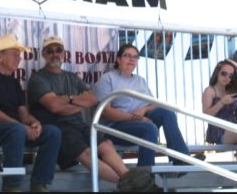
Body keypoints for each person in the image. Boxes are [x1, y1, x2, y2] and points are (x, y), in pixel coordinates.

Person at [27, 36, 157, 191]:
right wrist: (75, 101)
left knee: (107, 146)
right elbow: (54, 107)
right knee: (87, 154)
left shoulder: (72, 77)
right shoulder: (38, 79)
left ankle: (133, 183)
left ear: (64, 53)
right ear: (43, 54)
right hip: (58, 128)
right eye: (50, 50)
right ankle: (132, 185)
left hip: (79, 125)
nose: (55, 54)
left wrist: (67, 100)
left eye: (59, 50)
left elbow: (92, 99)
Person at [0, 34, 61, 192]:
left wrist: (35, 123)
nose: (19, 58)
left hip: (15, 130)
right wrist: (22, 126)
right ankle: (11, 186)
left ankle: (39, 184)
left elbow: (24, 114)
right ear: (0, 56)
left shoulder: (14, 82)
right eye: (15, 54)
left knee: (52, 132)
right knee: (17, 130)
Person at [93, 43, 203, 167]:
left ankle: (180, 158)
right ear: (118, 59)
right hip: (113, 128)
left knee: (167, 113)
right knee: (149, 128)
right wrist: (135, 117)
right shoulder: (107, 79)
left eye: (135, 57)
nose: (131, 59)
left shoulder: (140, 80)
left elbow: (153, 104)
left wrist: (143, 109)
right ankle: (144, 176)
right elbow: (105, 112)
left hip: (139, 122)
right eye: (127, 56)